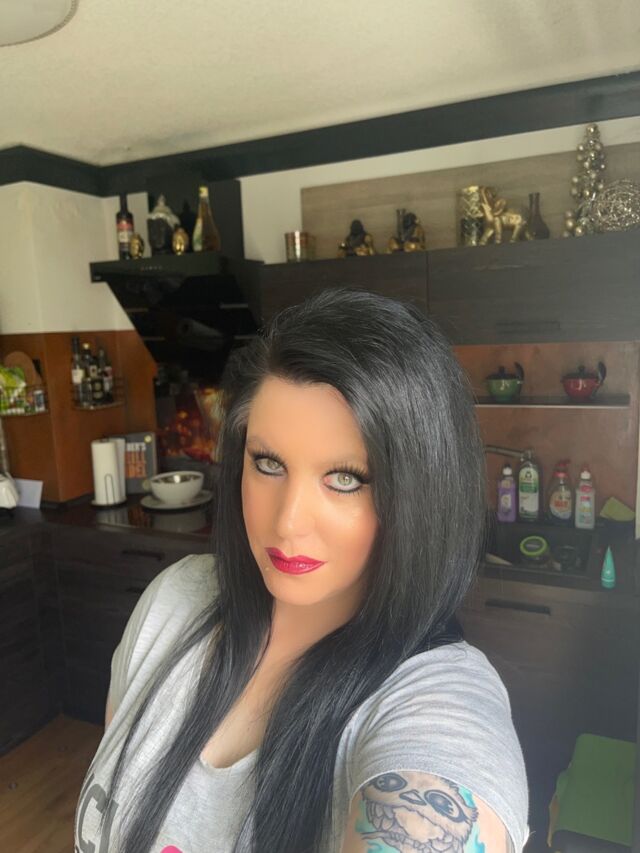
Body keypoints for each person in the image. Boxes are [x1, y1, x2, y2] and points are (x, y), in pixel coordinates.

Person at [74, 287, 530, 853]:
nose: (287, 523)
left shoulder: (437, 702)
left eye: (346, 478)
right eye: (268, 464)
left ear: (420, 493)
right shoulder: (172, 601)